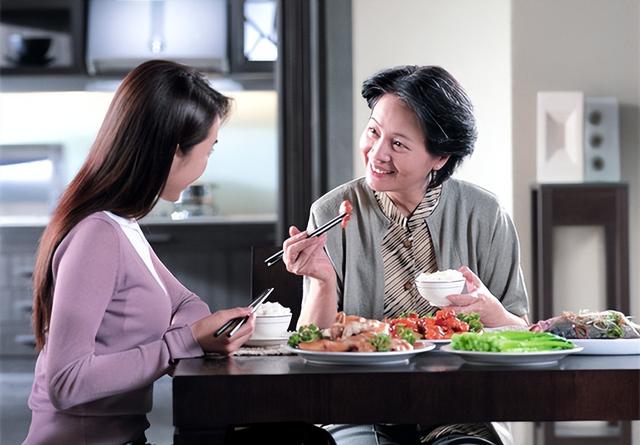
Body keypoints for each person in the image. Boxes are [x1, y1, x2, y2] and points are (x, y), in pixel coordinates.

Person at [282, 65, 530, 445]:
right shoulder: (331, 212)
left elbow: (523, 336)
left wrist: (493, 313)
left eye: (398, 144)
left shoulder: (485, 214)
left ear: (439, 157)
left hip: (461, 409)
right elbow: (312, 347)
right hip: (357, 408)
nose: (377, 154)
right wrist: (322, 280)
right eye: (373, 132)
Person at [23, 60, 256, 445]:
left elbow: (186, 302)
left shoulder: (123, 225)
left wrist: (196, 334)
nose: (206, 164)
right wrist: (183, 342)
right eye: (209, 150)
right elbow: (66, 382)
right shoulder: (98, 234)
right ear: (174, 153)